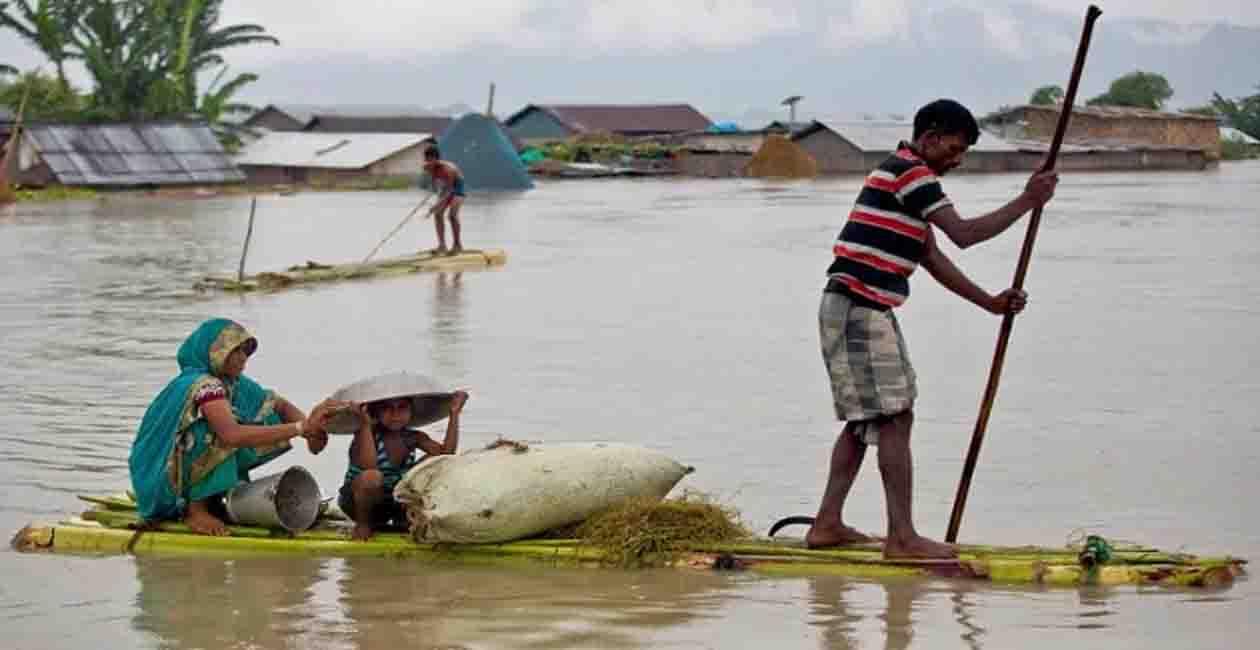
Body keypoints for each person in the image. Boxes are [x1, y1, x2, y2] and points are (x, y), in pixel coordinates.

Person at [809, 99, 1058, 558]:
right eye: (954, 148)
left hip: (864, 307)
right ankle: (902, 539)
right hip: (858, 305)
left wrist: (990, 304)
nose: (957, 160)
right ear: (929, 139)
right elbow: (964, 235)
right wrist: (1028, 200)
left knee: (868, 420)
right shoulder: (911, 172)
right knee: (894, 417)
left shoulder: (907, 183)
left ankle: (827, 524)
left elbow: (933, 258)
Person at [128, 318, 342, 536]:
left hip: (177, 469)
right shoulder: (204, 384)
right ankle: (196, 510)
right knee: (218, 433)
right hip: (159, 477)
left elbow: (278, 404)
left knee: (263, 415)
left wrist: (310, 432)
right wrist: (299, 428)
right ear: (214, 353)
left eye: (245, 352)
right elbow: (231, 436)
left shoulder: (233, 382)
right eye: (236, 351)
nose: (243, 358)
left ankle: (216, 497)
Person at [340, 390, 469, 541]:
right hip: (359, 504)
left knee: (435, 462)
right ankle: (363, 525)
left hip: (394, 503)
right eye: (387, 408)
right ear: (375, 412)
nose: (395, 415)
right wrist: (365, 425)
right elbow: (369, 466)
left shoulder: (413, 437)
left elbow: (447, 454)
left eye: (402, 408)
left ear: (410, 411)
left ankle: (402, 519)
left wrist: (454, 413)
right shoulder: (365, 433)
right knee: (372, 477)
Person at [422, 146, 466, 255]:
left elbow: (450, 191)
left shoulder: (447, 169)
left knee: (452, 215)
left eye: (431, 160)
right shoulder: (427, 167)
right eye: (427, 159)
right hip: (446, 187)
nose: (429, 162)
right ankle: (442, 246)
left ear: (436, 159)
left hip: (457, 188)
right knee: (437, 214)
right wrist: (434, 191)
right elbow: (435, 182)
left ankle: (457, 245)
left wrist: (437, 204)